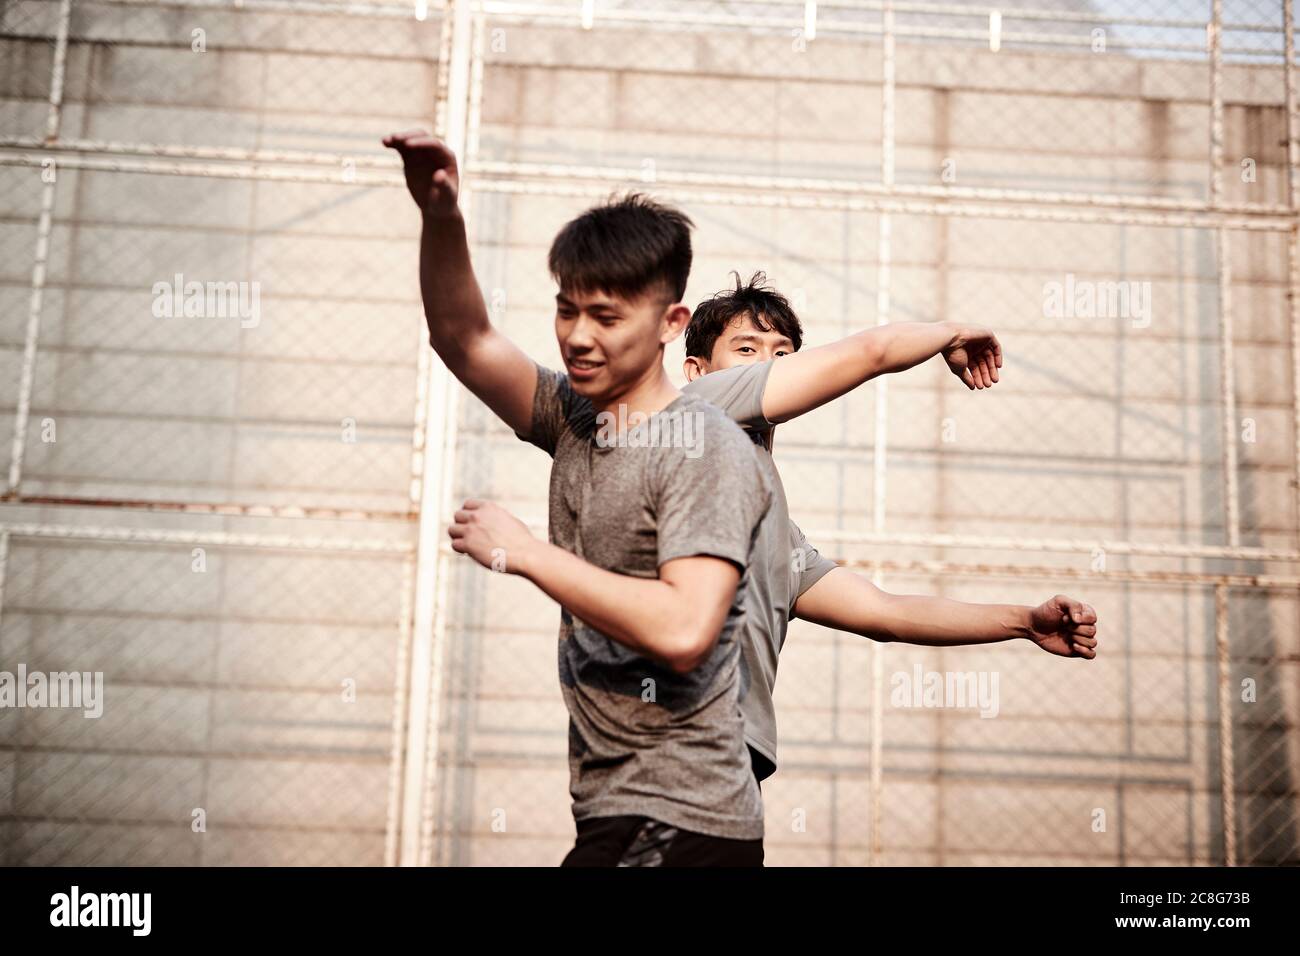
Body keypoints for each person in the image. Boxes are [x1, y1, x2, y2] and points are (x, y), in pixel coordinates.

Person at [384, 129, 776, 866]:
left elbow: (686, 626)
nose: (579, 337)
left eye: (607, 317)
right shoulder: (574, 416)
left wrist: (526, 553)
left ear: (670, 324)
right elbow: (462, 337)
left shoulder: (706, 449)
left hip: (682, 817)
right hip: (619, 808)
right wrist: (441, 217)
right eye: (568, 311)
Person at [681, 272, 1100, 782]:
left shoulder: (776, 532)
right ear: (696, 371)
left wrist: (1025, 622)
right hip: (676, 738)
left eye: (784, 353)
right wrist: (951, 332)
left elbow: (887, 613)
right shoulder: (694, 415)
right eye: (746, 348)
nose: (769, 364)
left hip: (735, 761)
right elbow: (873, 352)